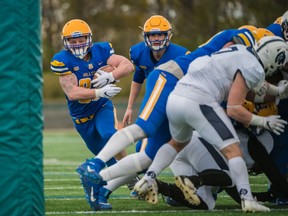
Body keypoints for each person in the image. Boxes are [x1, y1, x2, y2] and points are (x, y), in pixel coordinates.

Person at [75, 27, 283, 210]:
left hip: (183, 91)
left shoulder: (232, 55)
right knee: (144, 128)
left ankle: (101, 182)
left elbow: (246, 89)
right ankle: (95, 163)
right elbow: (240, 96)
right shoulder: (241, 47)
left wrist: (278, 91)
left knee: (151, 156)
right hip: (172, 79)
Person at [133, 36, 288, 212]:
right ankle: (247, 200)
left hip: (177, 96)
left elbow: (245, 89)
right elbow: (234, 108)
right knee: (233, 151)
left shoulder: (240, 50)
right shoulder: (254, 68)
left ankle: (149, 178)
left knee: (177, 144)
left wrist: (278, 92)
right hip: (199, 100)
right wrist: (264, 121)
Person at [50, 19, 134, 211]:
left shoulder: (101, 50)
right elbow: (72, 92)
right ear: (66, 42)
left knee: (110, 136)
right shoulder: (62, 60)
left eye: (81, 40)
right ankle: (130, 175)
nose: (78, 44)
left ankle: (131, 176)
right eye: (73, 40)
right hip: (82, 120)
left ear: (89, 39)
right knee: (107, 159)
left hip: (101, 107)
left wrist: (111, 76)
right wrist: (99, 91)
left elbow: (127, 65)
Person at [122, 15, 190, 197]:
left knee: (182, 149)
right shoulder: (138, 53)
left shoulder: (181, 54)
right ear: (146, 36)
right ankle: (148, 184)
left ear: (168, 35)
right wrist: (129, 107)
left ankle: (188, 185)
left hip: (177, 106)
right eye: (152, 35)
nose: (156, 39)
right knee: (142, 148)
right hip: (155, 106)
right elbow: (137, 79)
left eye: (160, 35)